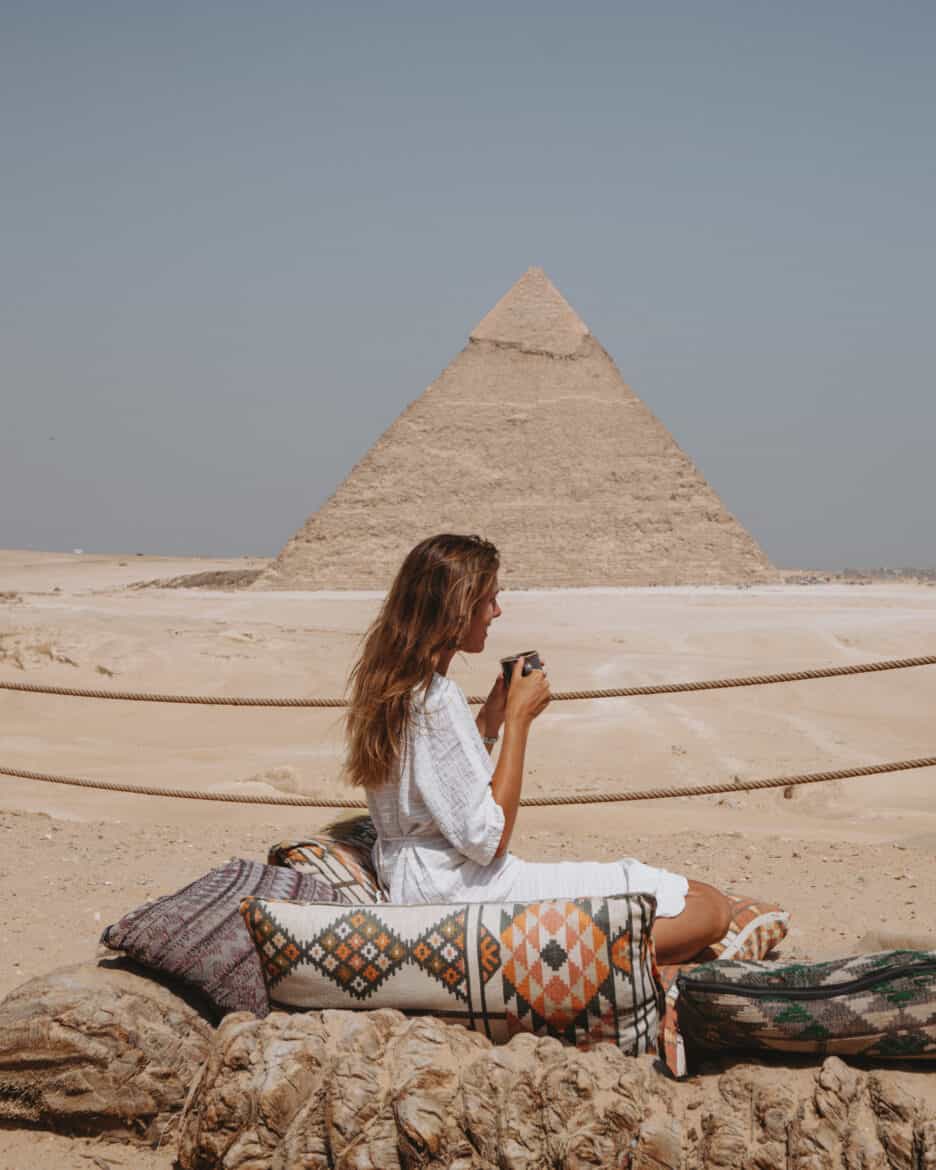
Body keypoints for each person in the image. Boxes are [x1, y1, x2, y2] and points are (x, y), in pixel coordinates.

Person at [346, 533, 731, 964]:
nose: (497, 611)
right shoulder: (436, 699)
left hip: (426, 882)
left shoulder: (396, 689)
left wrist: (489, 720)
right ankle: (576, 962)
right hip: (465, 895)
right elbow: (488, 838)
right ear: (458, 608)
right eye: (490, 599)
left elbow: (440, 786)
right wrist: (518, 722)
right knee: (710, 910)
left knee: (689, 897)